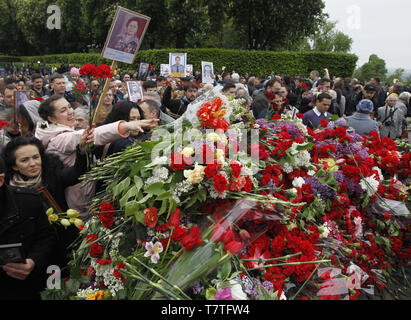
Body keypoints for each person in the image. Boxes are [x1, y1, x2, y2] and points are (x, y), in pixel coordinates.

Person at [34, 95, 159, 220]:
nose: (71, 112)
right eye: (63, 110)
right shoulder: (59, 138)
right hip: (76, 200)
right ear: (51, 118)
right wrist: (125, 126)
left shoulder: (55, 131)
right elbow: (92, 136)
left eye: (69, 107)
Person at [0, 157, 56, 300]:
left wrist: (33, 261)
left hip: (25, 287)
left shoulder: (28, 201)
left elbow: (47, 237)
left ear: (0, 180)